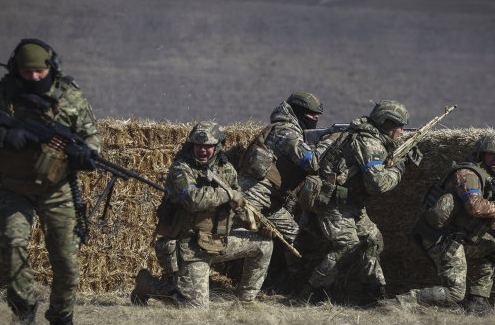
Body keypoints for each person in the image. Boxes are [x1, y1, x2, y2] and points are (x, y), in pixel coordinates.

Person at [0, 38, 102, 325]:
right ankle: (23, 312)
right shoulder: (1, 94)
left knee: (66, 262)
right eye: (27, 72)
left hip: (58, 190)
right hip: (15, 188)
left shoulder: (70, 96)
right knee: (13, 244)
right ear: (16, 69)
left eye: (39, 71)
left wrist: (84, 156)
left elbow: (91, 140)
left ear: (50, 67)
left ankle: (62, 320)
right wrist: (2, 138)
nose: (34, 77)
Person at [131, 121, 273, 309]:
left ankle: (245, 301)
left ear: (217, 147)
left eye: (208, 147)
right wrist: (228, 194)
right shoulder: (181, 169)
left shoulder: (227, 169)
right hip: (189, 247)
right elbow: (192, 200)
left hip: (216, 241)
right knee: (196, 309)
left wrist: (259, 223)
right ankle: (148, 285)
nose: (202, 151)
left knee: (264, 244)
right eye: (198, 146)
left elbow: (238, 205)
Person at [396, 132, 495, 315]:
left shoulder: (488, 182)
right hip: (441, 239)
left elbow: (484, 221)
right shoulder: (468, 174)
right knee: (455, 294)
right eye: (492, 154)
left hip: (456, 237)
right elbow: (474, 206)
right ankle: (401, 302)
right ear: (482, 153)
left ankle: (477, 302)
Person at [296, 100, 414, 302]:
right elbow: (378, 185)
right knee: (347, 246)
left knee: (373, 240)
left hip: (350, 203)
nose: (402, 132)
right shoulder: (368, 142)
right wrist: (399, 168)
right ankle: (311, 292)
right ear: (385, 124)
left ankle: (374, 292)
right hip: (333, 203)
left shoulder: (371, 137)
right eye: (398, 127)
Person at [237, 92, 331, 287]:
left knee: (293, 235)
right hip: (254, 196)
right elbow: (312, 163)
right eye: (311, 113)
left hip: (270, 200)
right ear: (298, 112)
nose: (316, 118)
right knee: (251, 241)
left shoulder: (288, 129)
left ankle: (295, 285)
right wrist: (329, 143)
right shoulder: (286, 131)